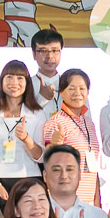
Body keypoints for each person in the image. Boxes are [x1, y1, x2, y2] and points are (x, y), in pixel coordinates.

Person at [39, 68, 105, 206]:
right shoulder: (55, 122)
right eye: (72, 89)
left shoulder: (88, 122)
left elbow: (92, 164)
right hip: (66, 200)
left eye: (82, 88)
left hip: (89, 200)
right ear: (61, 92)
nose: (77, 94)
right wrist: (53, 145)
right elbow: (49, 159)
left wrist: (97, 200)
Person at [0, 58, 46, 185]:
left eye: (20, 78)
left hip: (29, 177)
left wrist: (26, 139)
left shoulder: (37, 114)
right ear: (1, 82)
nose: (14, 83)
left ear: (27, 83)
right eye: (9, 77)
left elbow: (41, 157)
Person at [41, 144, 107, 218]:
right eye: (56, 170)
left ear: (79, 175)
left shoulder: (98, 217)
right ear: (45, 176)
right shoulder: (33, 215)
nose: (64, 176)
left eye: (69, 169)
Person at [28, 28, 67, 109]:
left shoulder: (71, 85)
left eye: (55, 50)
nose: (49, 56)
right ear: (34, 54)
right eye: (43, 51)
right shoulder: (25, 85)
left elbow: (86, 119)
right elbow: (19, 118)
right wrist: (41, 99)